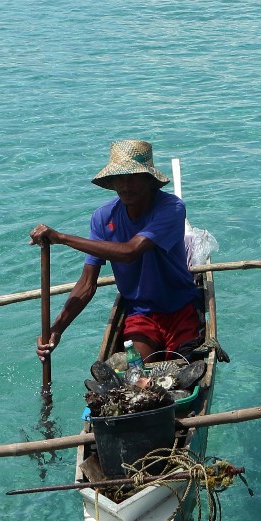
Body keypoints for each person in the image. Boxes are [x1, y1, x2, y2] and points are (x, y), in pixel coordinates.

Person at [33, 140, 200, 365]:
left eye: (133, 177)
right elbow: (87, 283)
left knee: (184, 369)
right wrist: (57, 329)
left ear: (149, 180)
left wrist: (62, 238)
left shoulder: (171, 208)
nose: (126, 185)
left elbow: (129, 251)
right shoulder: (103, 217)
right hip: (140, 313)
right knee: (137, 373)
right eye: (119, 178)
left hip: (180, 307)